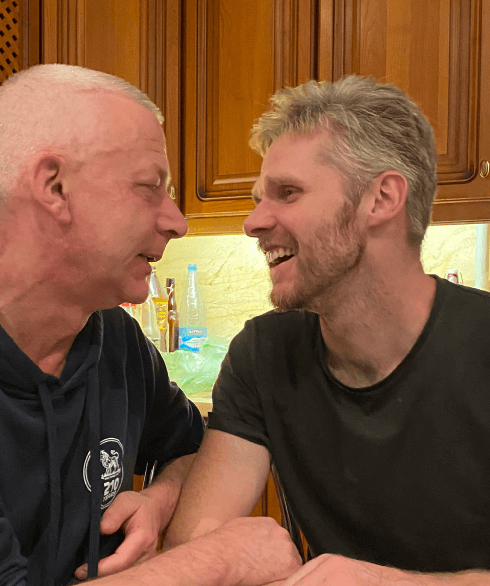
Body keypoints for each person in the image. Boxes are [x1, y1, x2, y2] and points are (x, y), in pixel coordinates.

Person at [0, 63, 294, 586]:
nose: (177, 221)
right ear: (55, 187)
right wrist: (216, 562)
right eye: (150, 187)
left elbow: (190, 446)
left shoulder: (114, 338)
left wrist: (159, 499)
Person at [165, 75, 490, 584]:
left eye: (287, 193)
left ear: (381, 198)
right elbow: (194, 552)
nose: (252, 222)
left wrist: (385, 583)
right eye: (259, 198)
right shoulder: (264, 355)